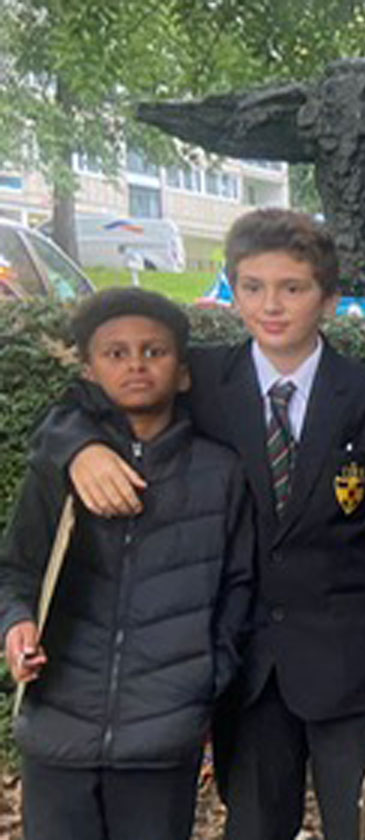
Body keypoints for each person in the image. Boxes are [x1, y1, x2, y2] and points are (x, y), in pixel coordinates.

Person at [39, 209, 365, 840]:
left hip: (353, 664)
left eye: (292, 288)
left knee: (360, 825)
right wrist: (79, 449)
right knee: (253, 826)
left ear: (329, 299)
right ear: (232, 290)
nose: (270, 306)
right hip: (243, 664)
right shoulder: (202, 380)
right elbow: (85, 403)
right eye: (252, 287)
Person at [1, 289, 254, 840]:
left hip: (163, 739)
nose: (136, 364)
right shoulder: (60, 468)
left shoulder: (221, 474)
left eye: (154, 351)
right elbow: (15, 570)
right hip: (57, 732)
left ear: (183, 373)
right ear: (89, 372)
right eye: (115, 353)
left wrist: (206, 679)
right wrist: (15, 623)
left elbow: (239, 589)